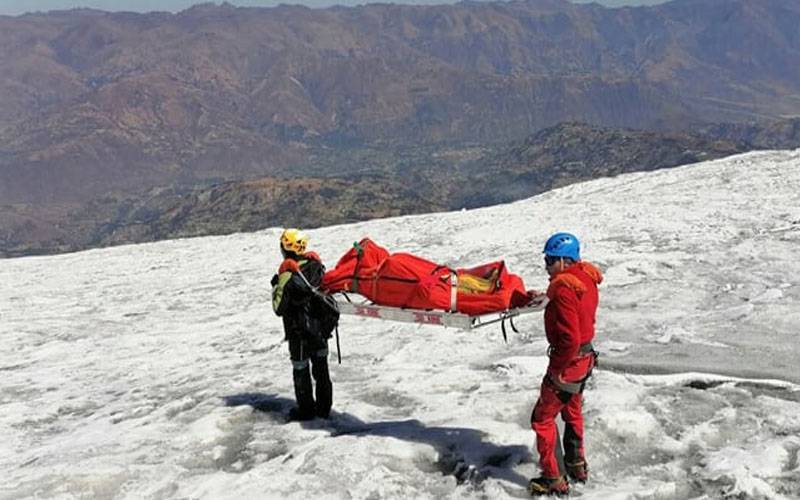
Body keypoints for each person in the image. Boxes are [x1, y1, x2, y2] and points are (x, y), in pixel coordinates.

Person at [528, 232, 603, 496]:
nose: (547, 266)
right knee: (572, 411)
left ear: (562, 260)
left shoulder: (563, 288)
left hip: (569, 364)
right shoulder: (586, 277)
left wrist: (557, 371)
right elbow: (576, 305)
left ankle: (553, 478)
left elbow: (570, 338)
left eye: (549, 260)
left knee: (542, 418)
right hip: (585, 360)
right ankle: (576, 464)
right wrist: (548, 298)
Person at [271, 228, 333, 421]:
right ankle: (324, 410)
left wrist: (276, 285)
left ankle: (306, 411)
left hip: (298, 333)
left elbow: (279, 307)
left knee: (301, 369)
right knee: (321, 369)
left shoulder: (287, 274)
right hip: (320, 330)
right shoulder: (317, 266)